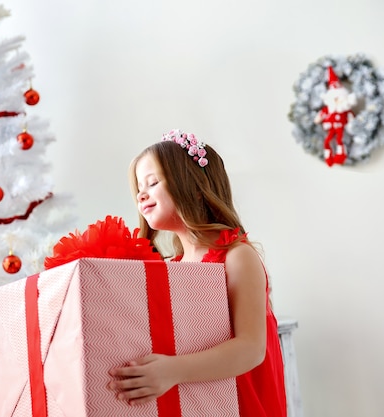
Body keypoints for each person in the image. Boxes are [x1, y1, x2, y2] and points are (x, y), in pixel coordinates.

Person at [107, 129, 287, 416]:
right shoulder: (170, 267)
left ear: (193, 186)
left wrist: (173, 370)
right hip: (198, 401)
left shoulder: (238, 257)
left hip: (242, 402)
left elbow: (252, 348)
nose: (141, 194)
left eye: (152, 183)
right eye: (139, 187)